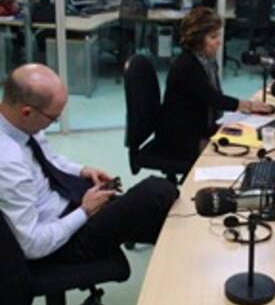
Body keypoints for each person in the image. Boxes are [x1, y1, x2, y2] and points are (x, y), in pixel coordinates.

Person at [0, 64, 179, 262]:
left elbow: (50, 158)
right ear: (27, 112)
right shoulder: (8, 162)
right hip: (61, 241)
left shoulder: (23, 125)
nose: (53, 123)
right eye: (54, 118)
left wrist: (82, 171)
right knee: (156, 192)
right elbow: (33, 245)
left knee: (156, 215)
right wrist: (85, 211)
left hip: (70, 202)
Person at [157, 6, 274, 164]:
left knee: (243, 142)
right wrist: (250, 106)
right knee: (230, 158)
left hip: (199, 127)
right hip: (181, 138)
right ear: (197, 39)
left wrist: (245, 107)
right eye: (213, 37)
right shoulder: (186, 66)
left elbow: (216, 97)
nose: (219, 42)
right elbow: (214, 99)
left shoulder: (207, 61)